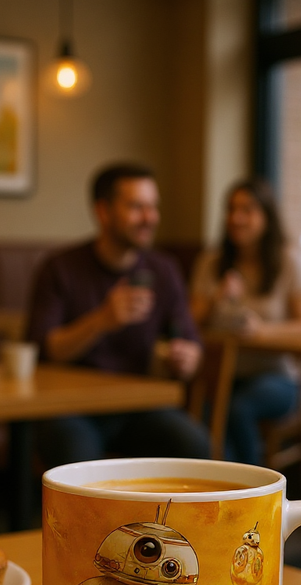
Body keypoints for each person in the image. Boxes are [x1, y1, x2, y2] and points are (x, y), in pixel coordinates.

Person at [25, 162, 209, 467]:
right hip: (70, 410)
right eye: (137, 207)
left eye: (153, 207)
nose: (150, 218)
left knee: (192, 442)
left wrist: (188, 358)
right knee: (77, 460)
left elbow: (192, 343)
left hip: (138, 409)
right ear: (103, 211)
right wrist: (101, 320)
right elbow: (43, 350)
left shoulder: (163, 270)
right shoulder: (60, 268)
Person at [190, 178, 301, 465]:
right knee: (199, 424)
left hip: (277, 376)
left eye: (247, 210)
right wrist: (217, 298)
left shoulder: (287, 263)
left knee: (237, 409)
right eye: (231, 210)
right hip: (223, 375)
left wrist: (262, 331)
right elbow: (190, 321)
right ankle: (218, 494)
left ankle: (251, 492)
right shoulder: (212, 262)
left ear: (267, 217)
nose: (236, 218)